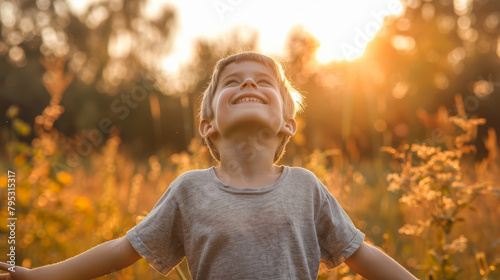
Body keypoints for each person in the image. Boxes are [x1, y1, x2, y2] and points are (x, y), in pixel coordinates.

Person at [0, 52, 417, 280]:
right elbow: (122, 250)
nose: (249, 84)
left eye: (263, 81)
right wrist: (42, 278)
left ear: (287, 124)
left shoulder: (306, 187)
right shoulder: (190, 189)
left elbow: (361, 254)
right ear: (208, 125)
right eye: (233, 82)